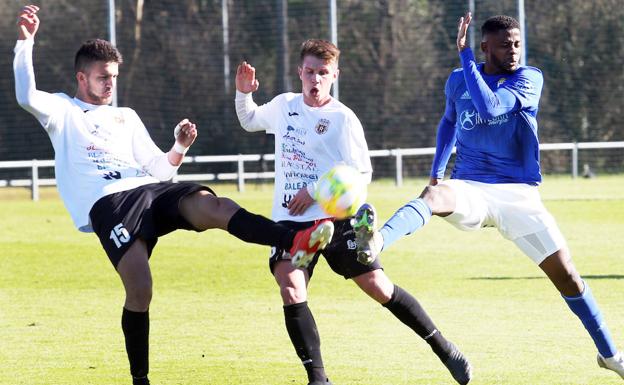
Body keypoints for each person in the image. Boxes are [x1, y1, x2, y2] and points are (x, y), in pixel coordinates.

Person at [14, 5, 335, 385]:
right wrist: (26, 42)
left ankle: (294, 239)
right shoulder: (63, 111)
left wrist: (178, 147)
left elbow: (160, 170)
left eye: (114, 77)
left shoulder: (126, 116)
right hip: (109, 204)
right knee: (141, 287)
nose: (110, 84)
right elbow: (26, 95)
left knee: (213, 206)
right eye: (103, 77)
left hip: (150, 190)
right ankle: (141, 379)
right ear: (81, 77)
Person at [353, 12, 624, 380]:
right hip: (470, 187)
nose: (513, 51)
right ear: (486, 47)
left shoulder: (529, 78)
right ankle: (377, 241)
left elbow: (489, 107)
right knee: (434, 198)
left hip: (518, 195)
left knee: (569, 278)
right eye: (504, 45)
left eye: (516, 44)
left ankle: (609, 354)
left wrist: (464, 55)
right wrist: (436, 172)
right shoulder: (456, 81)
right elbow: (449, 121)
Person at [234, 39, 472, 385]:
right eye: (310, 72)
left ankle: (443, 347)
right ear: (300, 72)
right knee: (290, 287)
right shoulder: (285, 105)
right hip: (290, 222)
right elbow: (249, 120)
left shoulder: (343, 119)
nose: (316, 79)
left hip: (336, 220)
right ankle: (318, 379)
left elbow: (362, 173)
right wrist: (243, 94)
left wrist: (315, 191)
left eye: (323, 73)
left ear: (335, 75)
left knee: (379, 287)